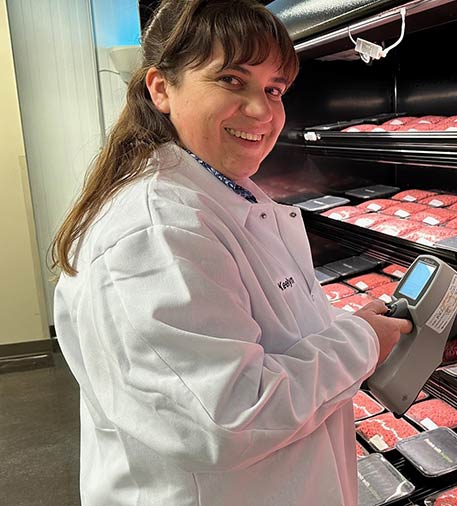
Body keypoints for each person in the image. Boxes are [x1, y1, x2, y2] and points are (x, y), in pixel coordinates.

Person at [50, 1, 410, 504]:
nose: (263, 111)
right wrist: (360, 344)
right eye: (231, 81)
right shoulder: (157, 232)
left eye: (273, 89)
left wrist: (343, 328)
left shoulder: (224, 192)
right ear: (161, 89)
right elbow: (227, 418)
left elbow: (267, 330)